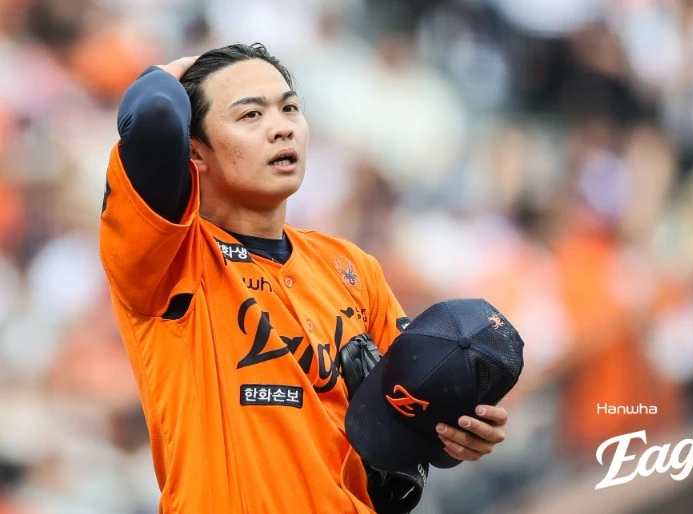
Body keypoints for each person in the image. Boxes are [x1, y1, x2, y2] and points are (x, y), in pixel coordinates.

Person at [98, 42, 510, 513]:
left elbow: (415, 415)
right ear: (195, 152)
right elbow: (153, 112)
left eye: (290, 108)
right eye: (251, 115)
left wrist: (459, 434)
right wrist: (169, 70)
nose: (282, 127)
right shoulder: (171, 260)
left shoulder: (351, 267)